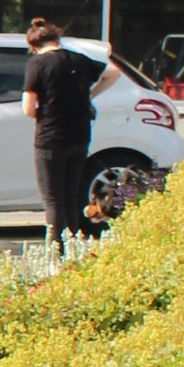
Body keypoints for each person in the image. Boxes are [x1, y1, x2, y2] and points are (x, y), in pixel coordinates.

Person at [22, 17, 115, 238]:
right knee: (70, 196)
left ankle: (57, 250)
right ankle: (73, 244)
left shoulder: (37, 64)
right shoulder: (78, 60)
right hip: (80, 137)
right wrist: (89, 95)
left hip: (50, 139)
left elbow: (27, 107)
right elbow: (113, 72)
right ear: (57, 40)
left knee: (53, 201)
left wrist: (43, 113)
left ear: (34, 46)